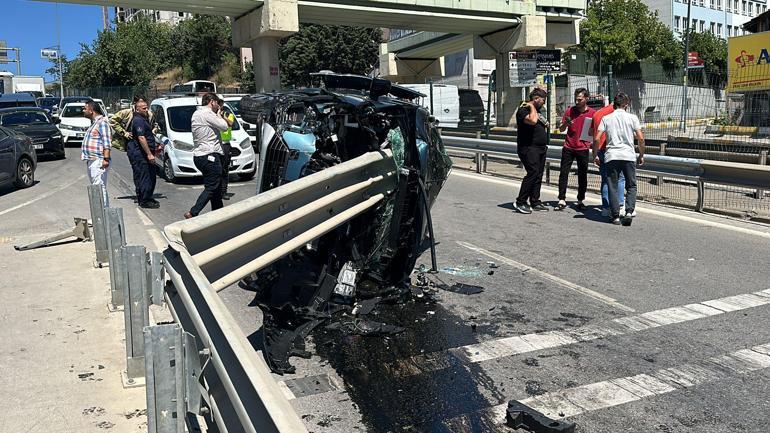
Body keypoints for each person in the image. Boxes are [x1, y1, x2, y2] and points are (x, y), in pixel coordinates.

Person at [594, 92, 645, 225]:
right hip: (628, 155)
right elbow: (640, 138)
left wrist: (595, 154)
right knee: (631, 185)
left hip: (612, 155)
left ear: (614, 104)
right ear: (626, 105)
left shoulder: (606, 118)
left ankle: (615, 215)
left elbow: (597, 138)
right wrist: (641, 154)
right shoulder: (632, 118)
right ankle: (628, 211)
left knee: (612, 185)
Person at [184, 93, 233, 219]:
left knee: (215, 187)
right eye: (217, 103)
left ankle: (218, 214)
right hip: (209, 155)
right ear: (212, 102)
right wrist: (218, 114)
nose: (218, 106)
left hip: (200, 156)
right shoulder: (207, 113)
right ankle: (193, 212)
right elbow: (224, 126)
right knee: (212, 186)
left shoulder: (196, 113)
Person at [556, 88, 595, 211]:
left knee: (582, 175)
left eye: (580, 99)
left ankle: (580, 199)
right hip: (568, 146)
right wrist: (565, 124)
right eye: (576, 99)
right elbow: (561, 129)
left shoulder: (592, 113)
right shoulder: (569, 111)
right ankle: (561, 198)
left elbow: (595, 132)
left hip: (583, 148)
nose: (577, 102)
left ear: (586, 99)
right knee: (564, 173)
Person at [513, 88, 550, 214]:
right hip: (528, 147)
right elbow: (533, 120)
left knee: (539, 174)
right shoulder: (523, 110)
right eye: (542, 100)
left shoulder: (538, 111)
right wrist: (531, 106)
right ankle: (520, 201)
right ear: (535, 99)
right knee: (533, 172)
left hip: (540, 148)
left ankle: (535, 201)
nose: (544, 103)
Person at [592, 100, 625, 216]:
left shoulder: (597, 114)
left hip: (600, 149)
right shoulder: (619, 113)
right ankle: (620, 206)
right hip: (615, 149)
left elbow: (592, 133)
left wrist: (594, 153)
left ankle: (605, 208)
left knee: (605, 180)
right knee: (620, 179)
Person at [127, 100, 159, 209]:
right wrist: (149, 154)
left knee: (149, 175)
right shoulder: (138, 120)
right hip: (141, 155)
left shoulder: (143, 119)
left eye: (147, 107)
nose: (147, 110)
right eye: (144, 108)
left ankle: (147, 197)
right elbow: (141, 137)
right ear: (137, 109)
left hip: (144, 153)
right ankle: (144, 200)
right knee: (146, 176)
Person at [81, 99, 112, 207]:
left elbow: (106, 142)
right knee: (97, 187)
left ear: (91, 110)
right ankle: (100, 215)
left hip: (99, 160)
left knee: (99, 187)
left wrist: (106, 159)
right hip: (93, 160)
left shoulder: (102, 123)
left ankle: (102, 215)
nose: (83, 110)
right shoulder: (95, 123)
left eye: (85, 108)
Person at [220, 110, 236, 200]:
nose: (220, 105)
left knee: (225, 169)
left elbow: (230, 123)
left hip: (225, 144)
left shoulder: (228, 115)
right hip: (216, 144)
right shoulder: (212, 115)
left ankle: (223, 191)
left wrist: (223, 117)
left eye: (221, 103)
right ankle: (216, 191)